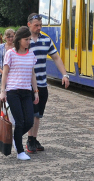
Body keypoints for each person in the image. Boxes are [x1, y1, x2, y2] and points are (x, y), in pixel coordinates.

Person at [26, 12, 69, 154]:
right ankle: (30, 140)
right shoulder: (24, 41)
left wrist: (64, 74)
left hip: (42, 84)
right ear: (29, 25)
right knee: (31, 113)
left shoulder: (46, 40)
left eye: (40, 25)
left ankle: (34, 138)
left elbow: (56, 57)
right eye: (36, 25)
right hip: (28, 84)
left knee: (38, 114)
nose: (39, 28)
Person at [0, 26, 39, 161]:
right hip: (13, 92)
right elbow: (5, 73)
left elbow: (32, 74)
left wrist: (36, 91)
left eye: (29, 39)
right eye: (26, 39)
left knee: (29, 121)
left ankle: (16, 138)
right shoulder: (10, 53)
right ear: (19, 40)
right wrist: (3, 91)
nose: (28, 42)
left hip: (27, 91)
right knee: (20, 121)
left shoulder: (31, 54)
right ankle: (20, 151)